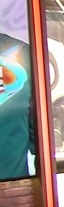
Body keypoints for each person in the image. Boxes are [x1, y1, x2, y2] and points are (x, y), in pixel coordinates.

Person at [0, 32, 35, 180]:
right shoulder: (25, 54)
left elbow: (43, 145)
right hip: (15, 187)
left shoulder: (25, 55)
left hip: (14, 189)